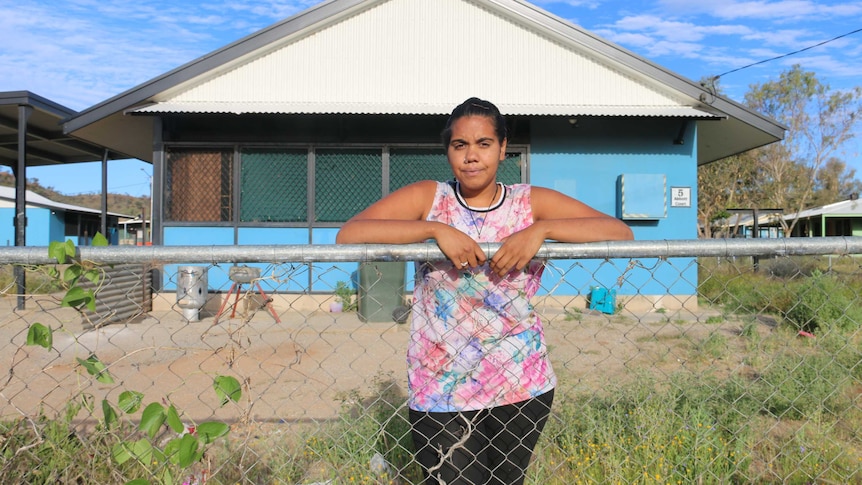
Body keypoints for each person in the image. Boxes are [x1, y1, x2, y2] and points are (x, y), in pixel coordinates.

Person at [336, 97, 633, 484]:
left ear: (503, 148)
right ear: (448, 151)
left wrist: (539, 231)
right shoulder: (431, 199)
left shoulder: (529, 203)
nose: (471, 156)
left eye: (484, 144)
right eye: (460, 145)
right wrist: (434, 230)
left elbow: (618, 232)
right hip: (440, 384)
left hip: (519, 382)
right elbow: (350, 235)